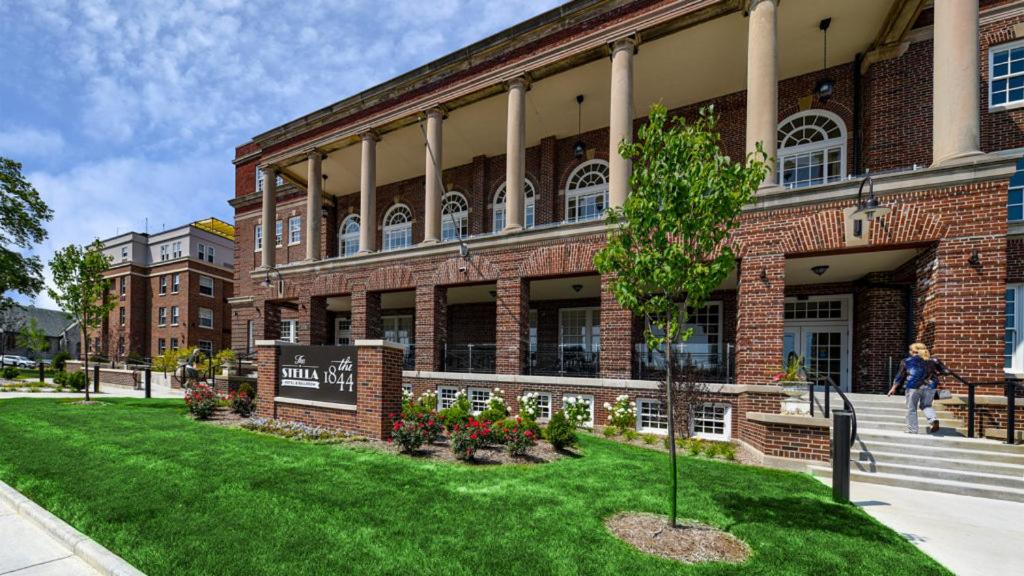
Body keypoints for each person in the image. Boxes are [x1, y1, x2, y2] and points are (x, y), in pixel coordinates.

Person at [887, 343, 941, 434]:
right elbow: (945, 371)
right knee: (926, 405)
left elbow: (900, 375)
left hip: (913, 386)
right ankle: (933, 419)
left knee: (911, 408)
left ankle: (912, 430)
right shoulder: (933, 361)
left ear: (913, 351)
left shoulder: (906, 361)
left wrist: (893, 388)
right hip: (930, 386)